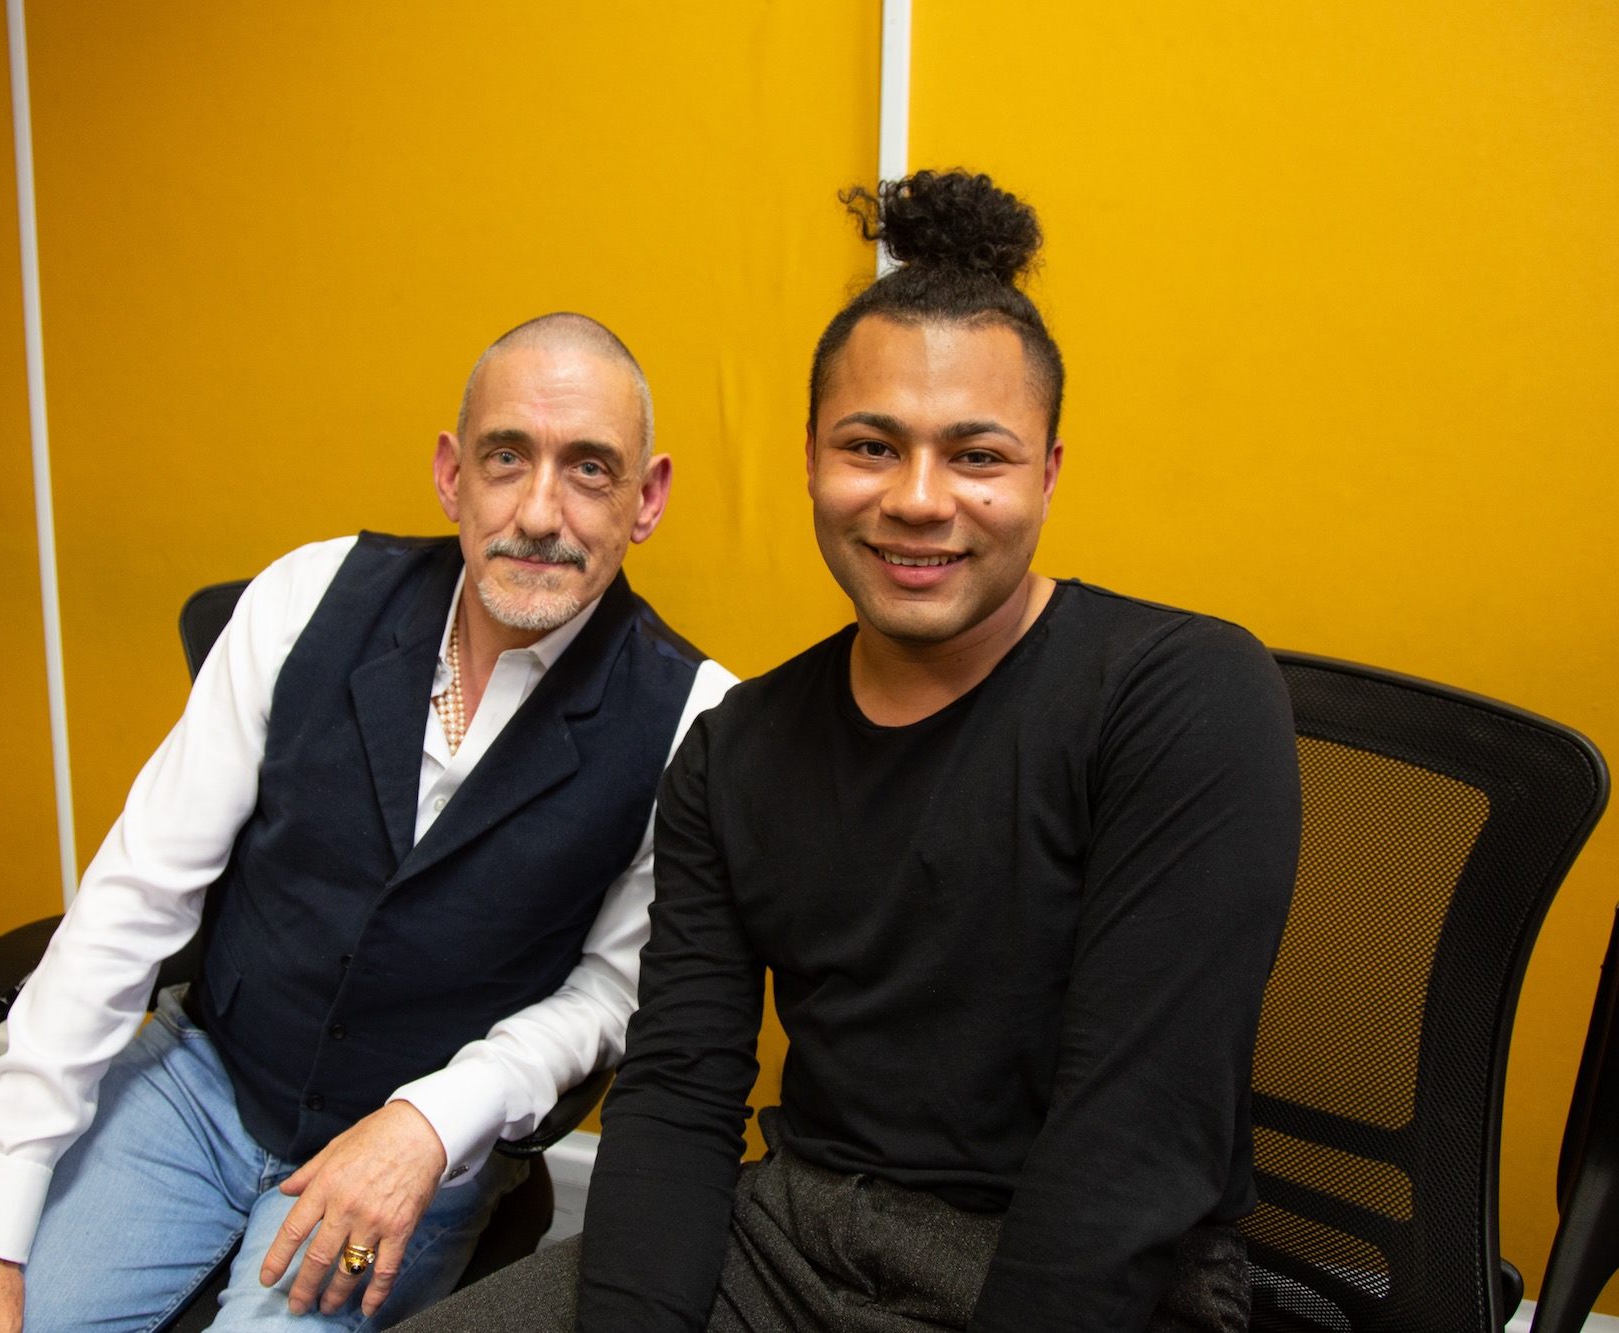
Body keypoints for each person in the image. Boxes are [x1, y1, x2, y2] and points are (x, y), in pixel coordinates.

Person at [396, 172, 1301, 1332]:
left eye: (976, 456)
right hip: (791, 1234)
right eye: (870, 446)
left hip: (1063, 1268)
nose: (917, 500)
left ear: (1046, 472)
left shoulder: (1179, 694)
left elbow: (1134, 1144)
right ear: (811, 459)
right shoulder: (732, 752)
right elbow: (677, 1098)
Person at [0, 312, 737, 1333]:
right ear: (451, 474)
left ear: (648, 498)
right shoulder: (304, 596)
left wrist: (432, 1121)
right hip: (205, 1078)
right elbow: (136, 894)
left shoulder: (693, 720)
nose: (539, 511)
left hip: (414, 1147)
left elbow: (608, 992)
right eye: (506, 457)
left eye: (589, 469)